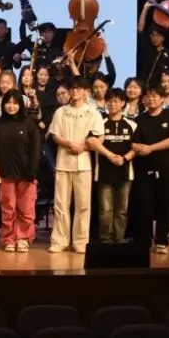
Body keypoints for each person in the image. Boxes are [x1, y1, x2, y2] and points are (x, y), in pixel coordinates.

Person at [47, 78, 104, 254]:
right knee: (61, 204)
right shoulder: (61, 112)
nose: (75, 92)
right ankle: (60, 240)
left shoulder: (93, 112)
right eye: (72, 88)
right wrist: (68, 143)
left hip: (84, 163)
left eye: (79, 89)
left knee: (83, 205)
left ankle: (81, 241)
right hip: (63, 161)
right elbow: (55, 135)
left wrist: (84, 147)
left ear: (86, 91)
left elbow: (100, 136)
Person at [131, 85, 169, 254]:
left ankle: (161, 241)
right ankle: (144, 240)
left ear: (162, 99)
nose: (151, 99)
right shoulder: (139, 119)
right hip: (143, 170)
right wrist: (139, 148)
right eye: (148, 96)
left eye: (155, 96)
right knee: (144, 206)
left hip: (166, 169)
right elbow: (133, 143)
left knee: (165, 206)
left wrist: (151, 148)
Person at [0, 89, 42, 252]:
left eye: (15, 103)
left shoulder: (29, 123)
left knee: (26, 209)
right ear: (3, 104)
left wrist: (32, 171)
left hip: (26, 174)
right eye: (8, 103)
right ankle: (8, 238)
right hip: (5, 174)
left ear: (21, 105)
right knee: (8, 209)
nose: (11, 106)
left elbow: (35, 148)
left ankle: (24, 238)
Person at [91, 89, 135, 244]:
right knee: (105, 210)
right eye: (109, 101)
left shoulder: (132, 124)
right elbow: (92, 143)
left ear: (123, 103)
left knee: (122, 210)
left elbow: (136, 147)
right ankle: (106, 239)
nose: (112, 104)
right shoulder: (99, 123)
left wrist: (124, 158)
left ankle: (120, 239)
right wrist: (109, 155)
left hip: (125, 172)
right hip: (104, 173)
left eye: (116, 101)